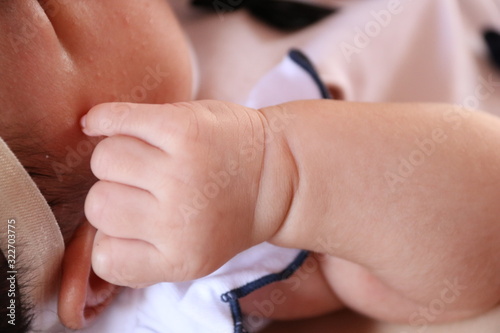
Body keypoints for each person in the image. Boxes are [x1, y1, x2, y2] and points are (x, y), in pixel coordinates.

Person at [1, 0, 500, 333]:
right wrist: (280, 179)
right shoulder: (217, 240)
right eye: (45, 12)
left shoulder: (160, 48)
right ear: (107, 256)